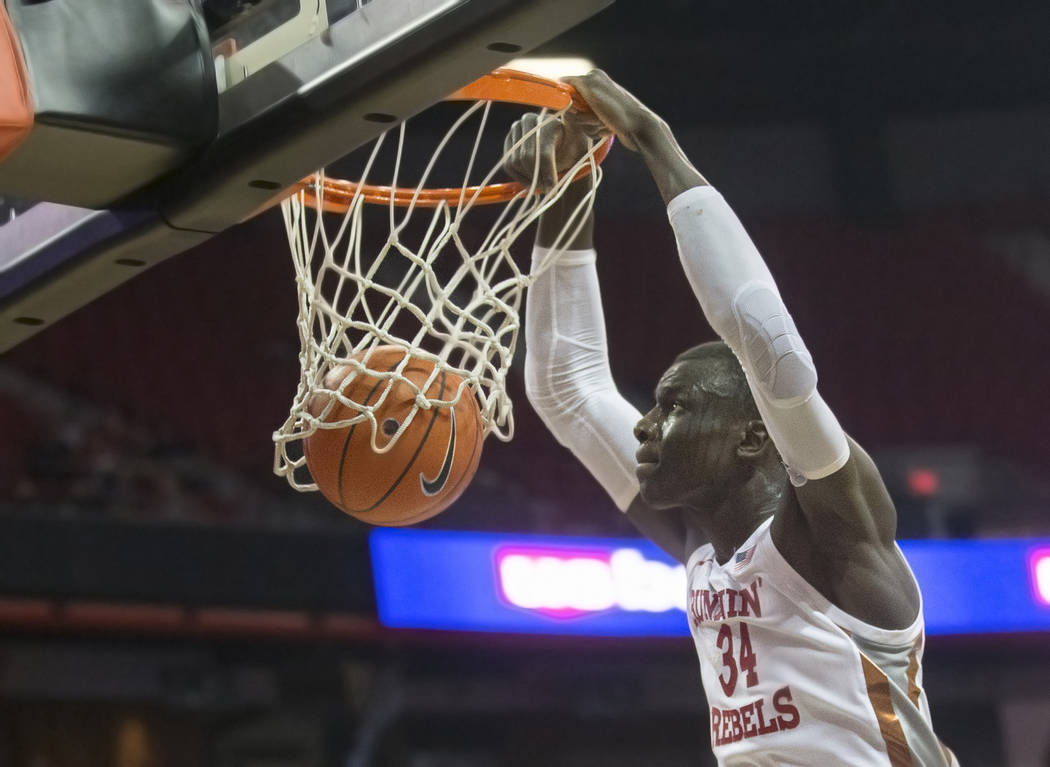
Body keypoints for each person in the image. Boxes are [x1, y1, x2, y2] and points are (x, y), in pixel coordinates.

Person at [506, 70, 958, 766]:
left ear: (753, 437)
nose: (646, 425)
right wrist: (565, 189)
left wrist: (654, 141)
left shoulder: (833, 538)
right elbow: (567, 387)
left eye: (675, 406)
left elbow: (767, 344)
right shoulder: (702, 549)